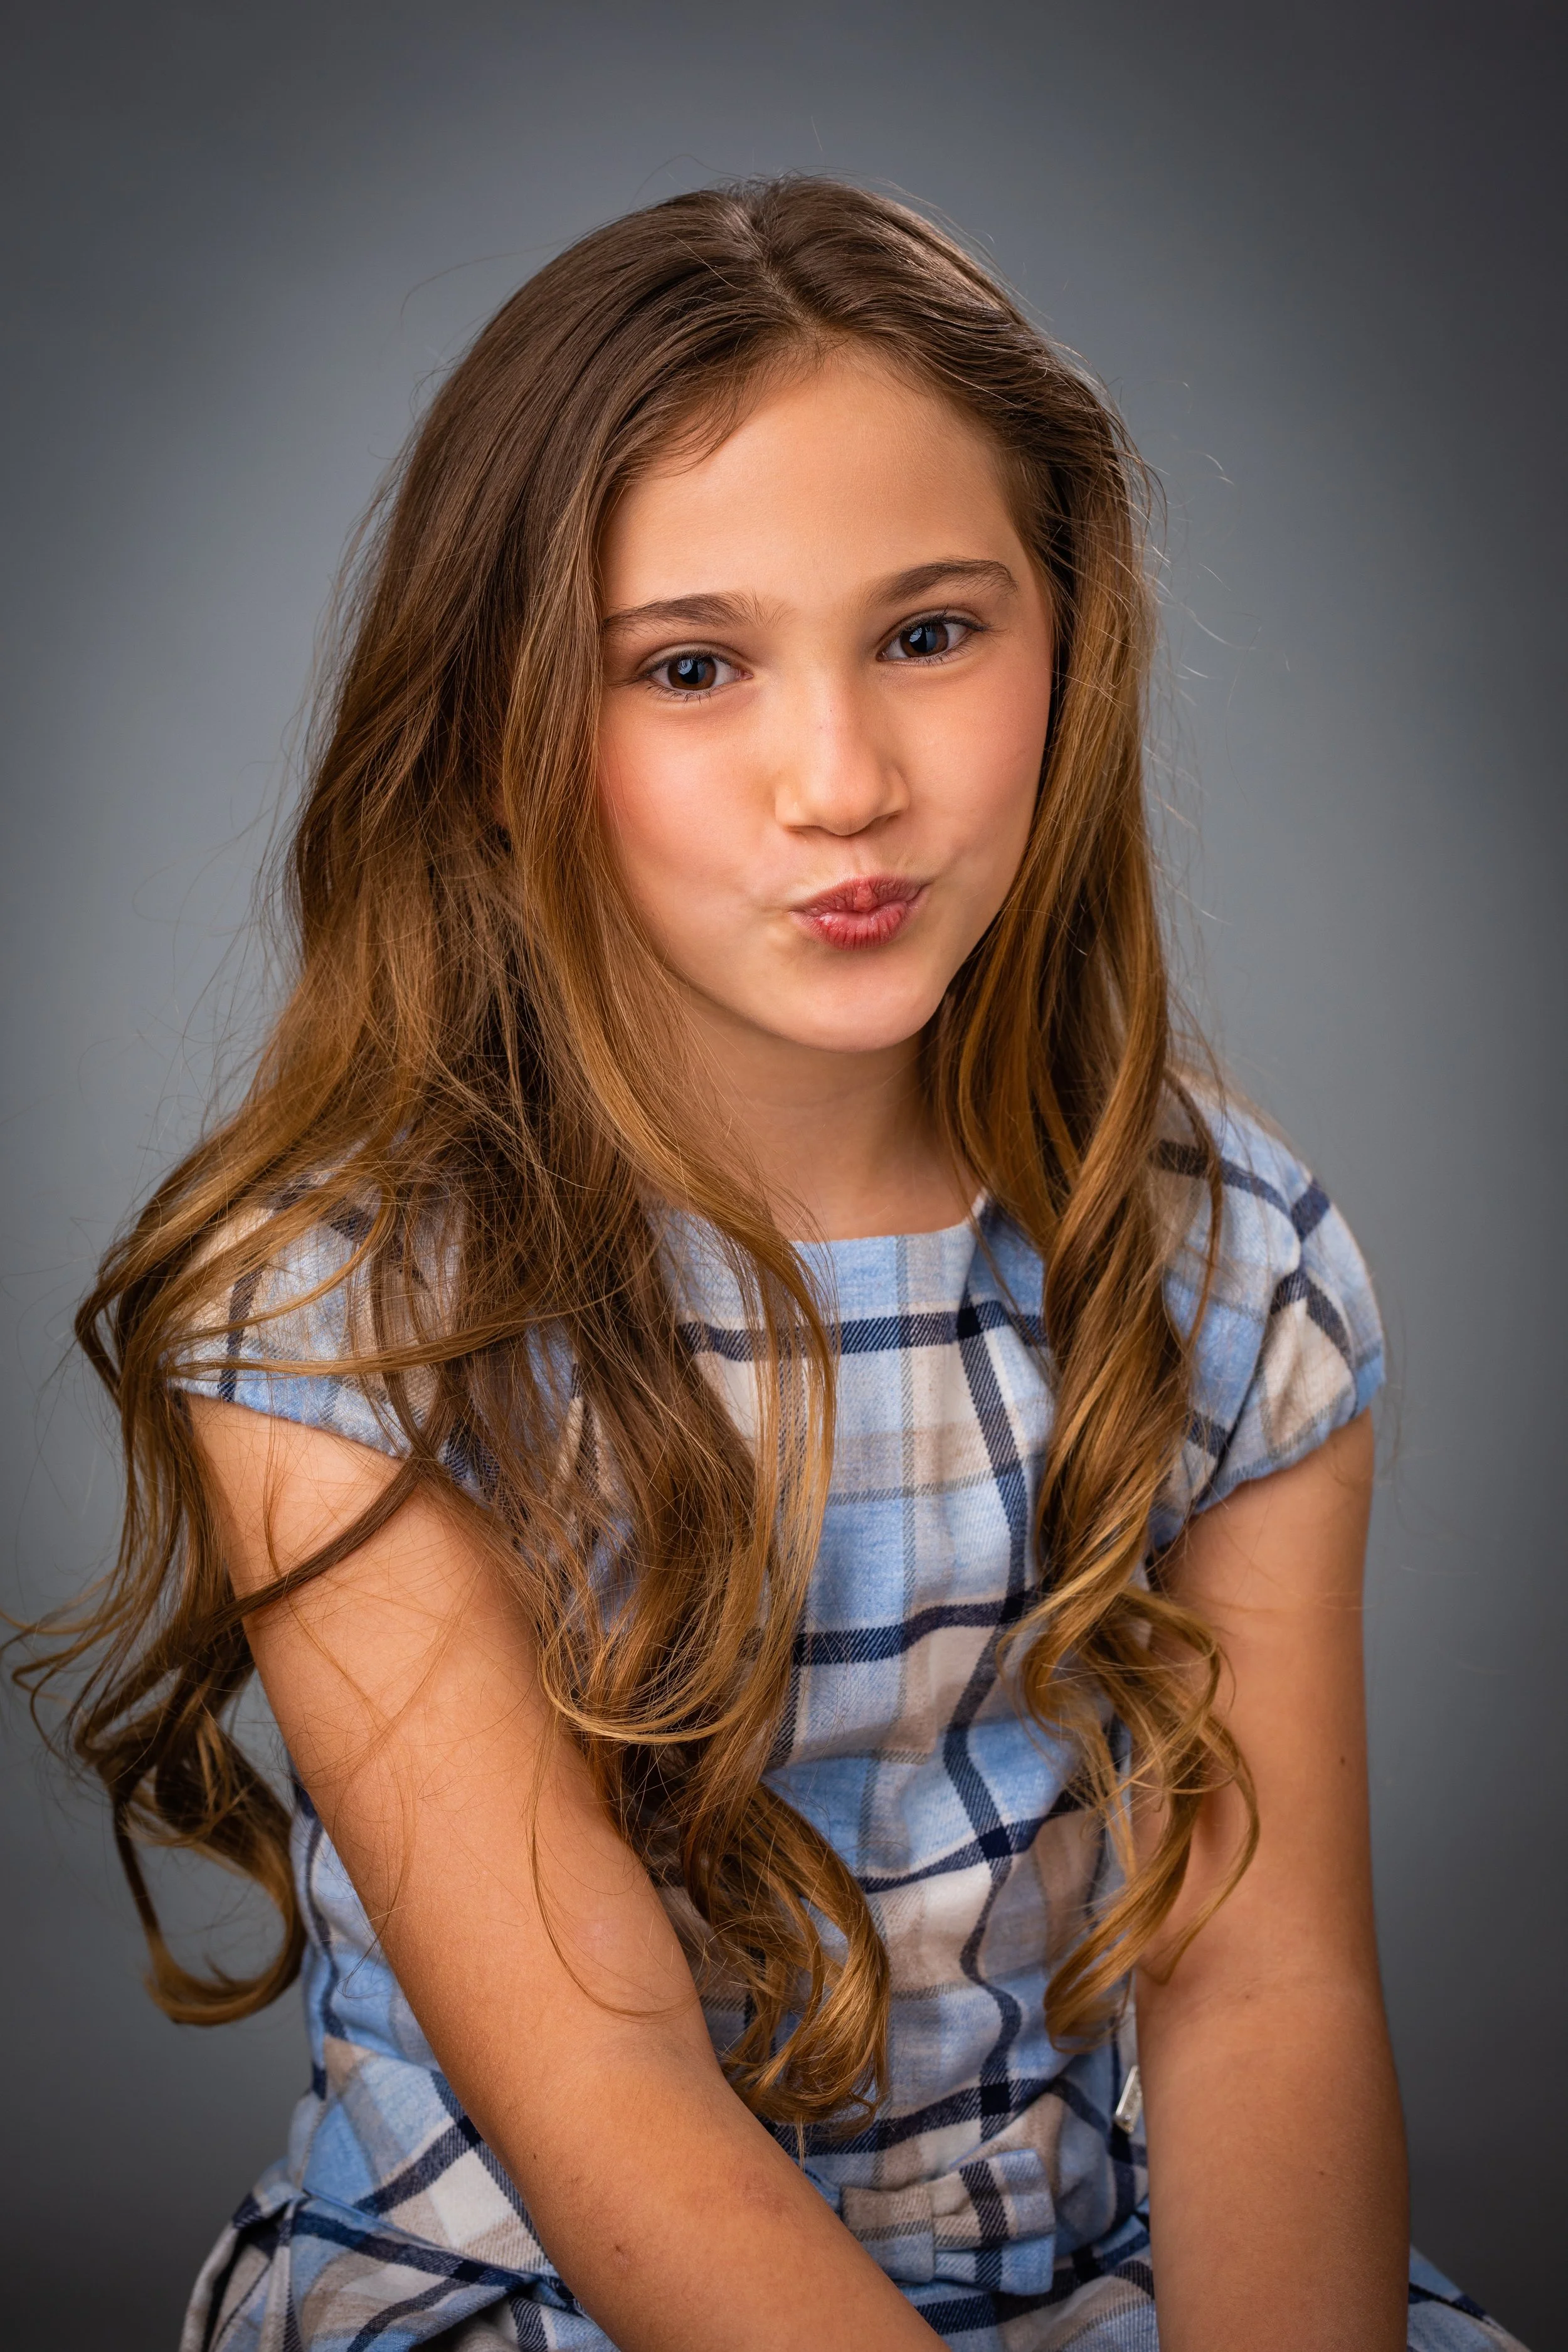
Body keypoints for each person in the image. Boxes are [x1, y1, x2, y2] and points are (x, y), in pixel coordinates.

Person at [28, 179, 1522, 2352]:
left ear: (1069, 640)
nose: (843, 783)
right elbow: (605, 2091)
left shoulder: (1227, 1260)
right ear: (501, 726)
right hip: (543, 2295)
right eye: (690, 667)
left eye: (928, 634)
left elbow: (1262, 1985)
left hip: (1071, 2292)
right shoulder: (349, 1320)